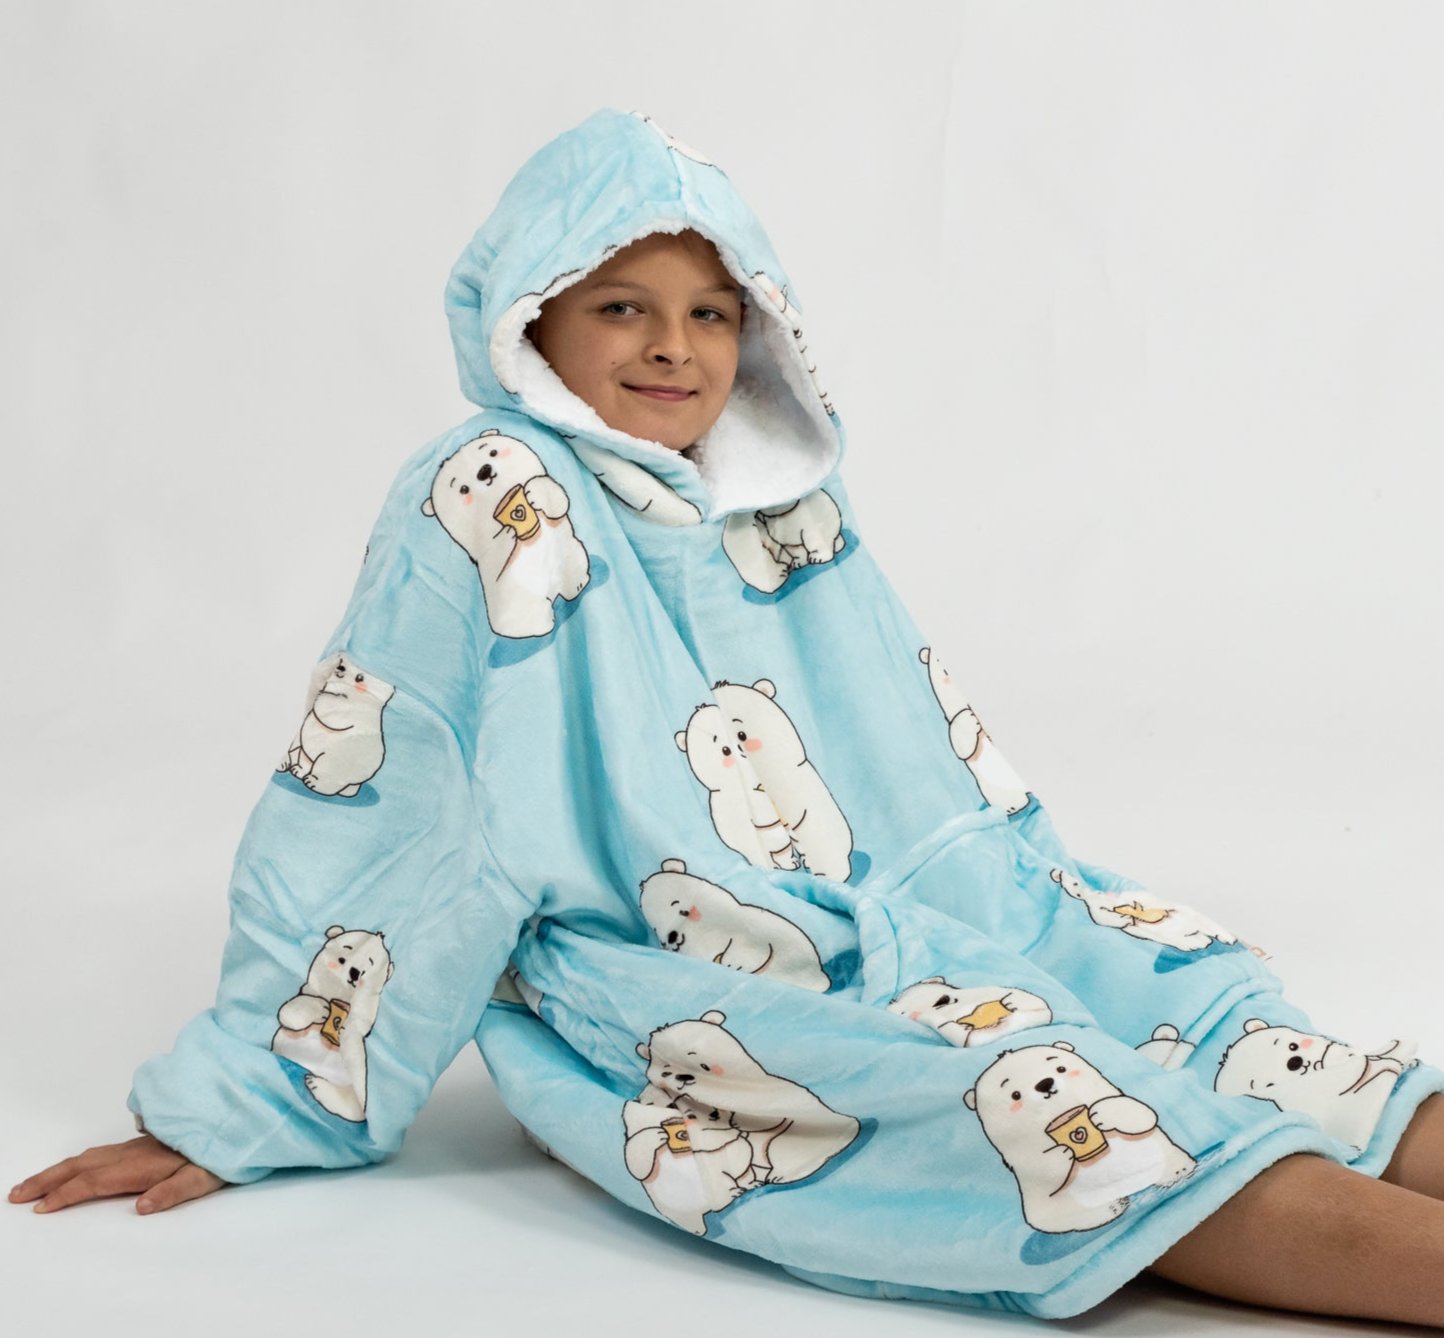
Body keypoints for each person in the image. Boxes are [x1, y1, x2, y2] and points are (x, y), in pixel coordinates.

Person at [11, 107, 1444, 1326]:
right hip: (670, 971)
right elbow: (395, 805)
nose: (673, 348)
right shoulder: (493, 493)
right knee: (1041, 1122)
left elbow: (913, 758)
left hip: (917, 903)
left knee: (1198, 1011)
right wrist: (259, 1093)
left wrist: (1029, 926)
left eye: (710, 312)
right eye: (619, 306)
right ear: (530, 319)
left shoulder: (784, 500)